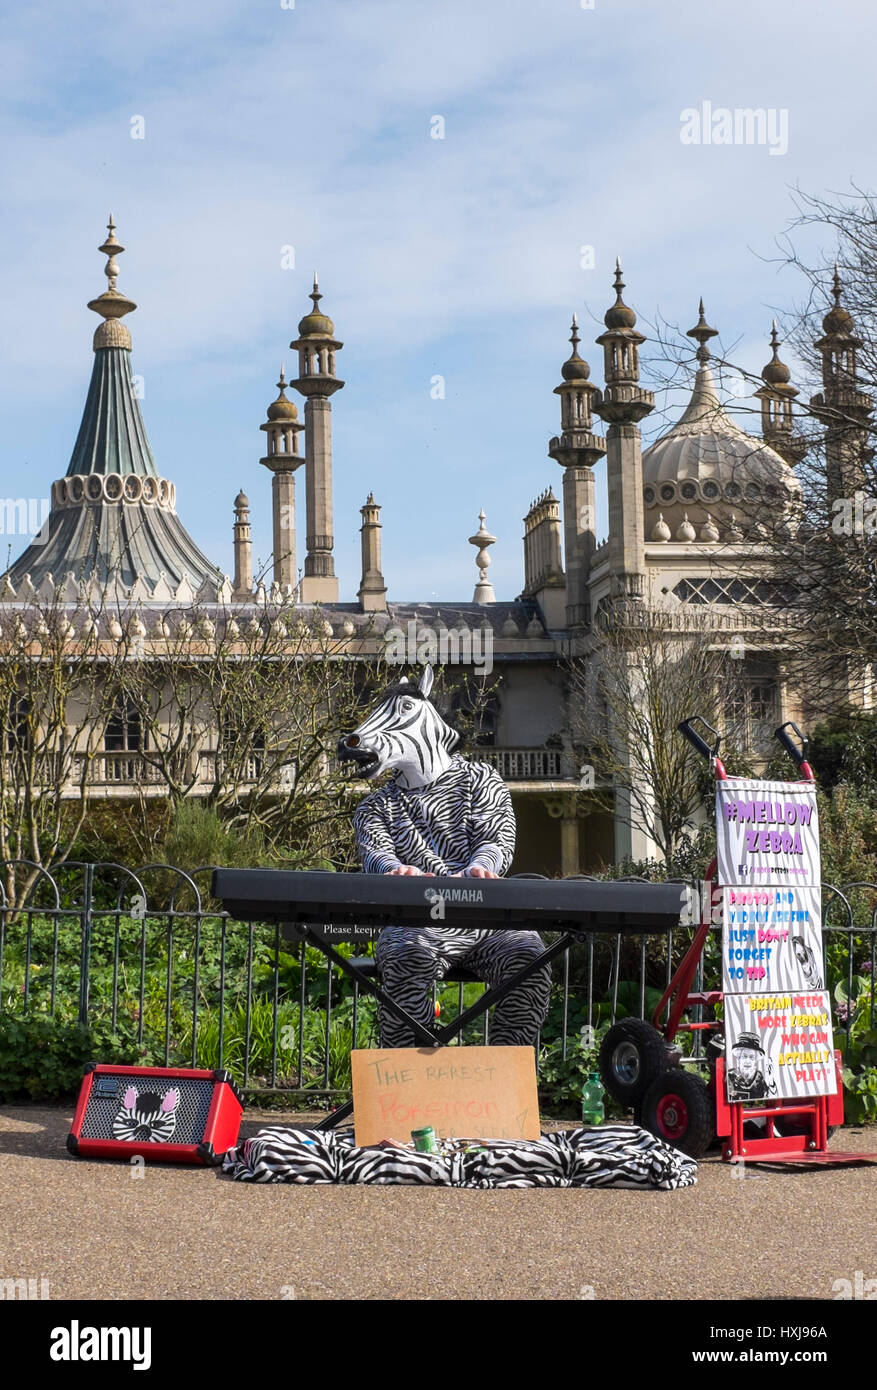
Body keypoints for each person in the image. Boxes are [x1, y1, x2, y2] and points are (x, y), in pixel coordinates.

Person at [338, 665, 552, 1048]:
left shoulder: (481, 779)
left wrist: (481, 867)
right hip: (414, 923)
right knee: (406, 956)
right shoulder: (374, 808)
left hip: (485, 919)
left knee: (529, 955)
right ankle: (412, 1081)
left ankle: (507, 1077)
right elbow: (376, 856)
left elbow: (495, 839)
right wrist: (392, 869)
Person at [726, 1032, 777, 1101]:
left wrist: (771, 1081)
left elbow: (771, 1099)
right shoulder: (730, 1076)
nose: (748, 1061)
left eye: (751, 1057)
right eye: (744, 1056)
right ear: (739, 1058)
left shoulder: (758, 1078)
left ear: (755, 1061)